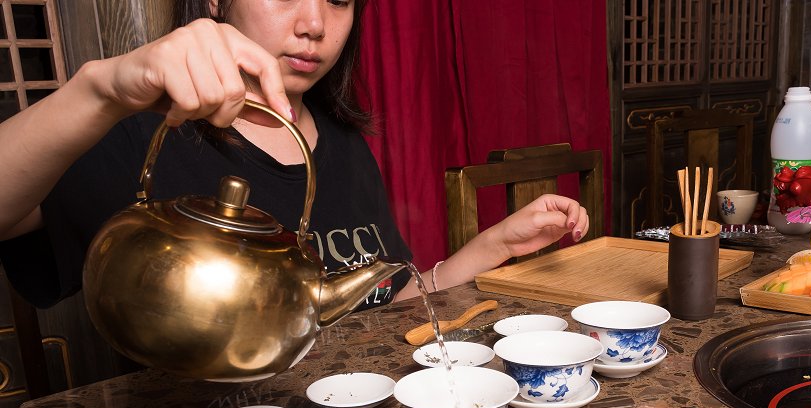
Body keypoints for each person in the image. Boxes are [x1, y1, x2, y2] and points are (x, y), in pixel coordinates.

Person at [0, 0, 588, 312]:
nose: (314, 24)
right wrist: (99, 91)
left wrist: (494, 245)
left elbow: (380, 303)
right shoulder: (141, 134)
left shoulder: (341, 143)